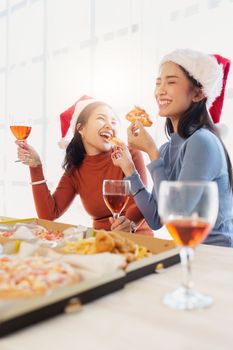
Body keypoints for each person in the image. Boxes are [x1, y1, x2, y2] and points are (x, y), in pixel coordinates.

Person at [111, 49, 233, 247]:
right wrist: (129, 170)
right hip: (189, 253)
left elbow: (178, 213)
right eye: (158, 82)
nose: (160, 90)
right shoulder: (167, 149)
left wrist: (151, 151)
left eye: (171, 81)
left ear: (198, 93)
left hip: (217, 257)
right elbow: (155, 219)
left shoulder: (202, 141)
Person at [16, 95, 152, 234]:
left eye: (113, 121)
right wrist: (35, 167)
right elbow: (49, 214)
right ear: (80, 128)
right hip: (101, 243)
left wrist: (129, 223)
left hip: (138, 238)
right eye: (101, 118)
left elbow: (142, 201)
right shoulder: (75, 170)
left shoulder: (128, 154)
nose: (109, 125)